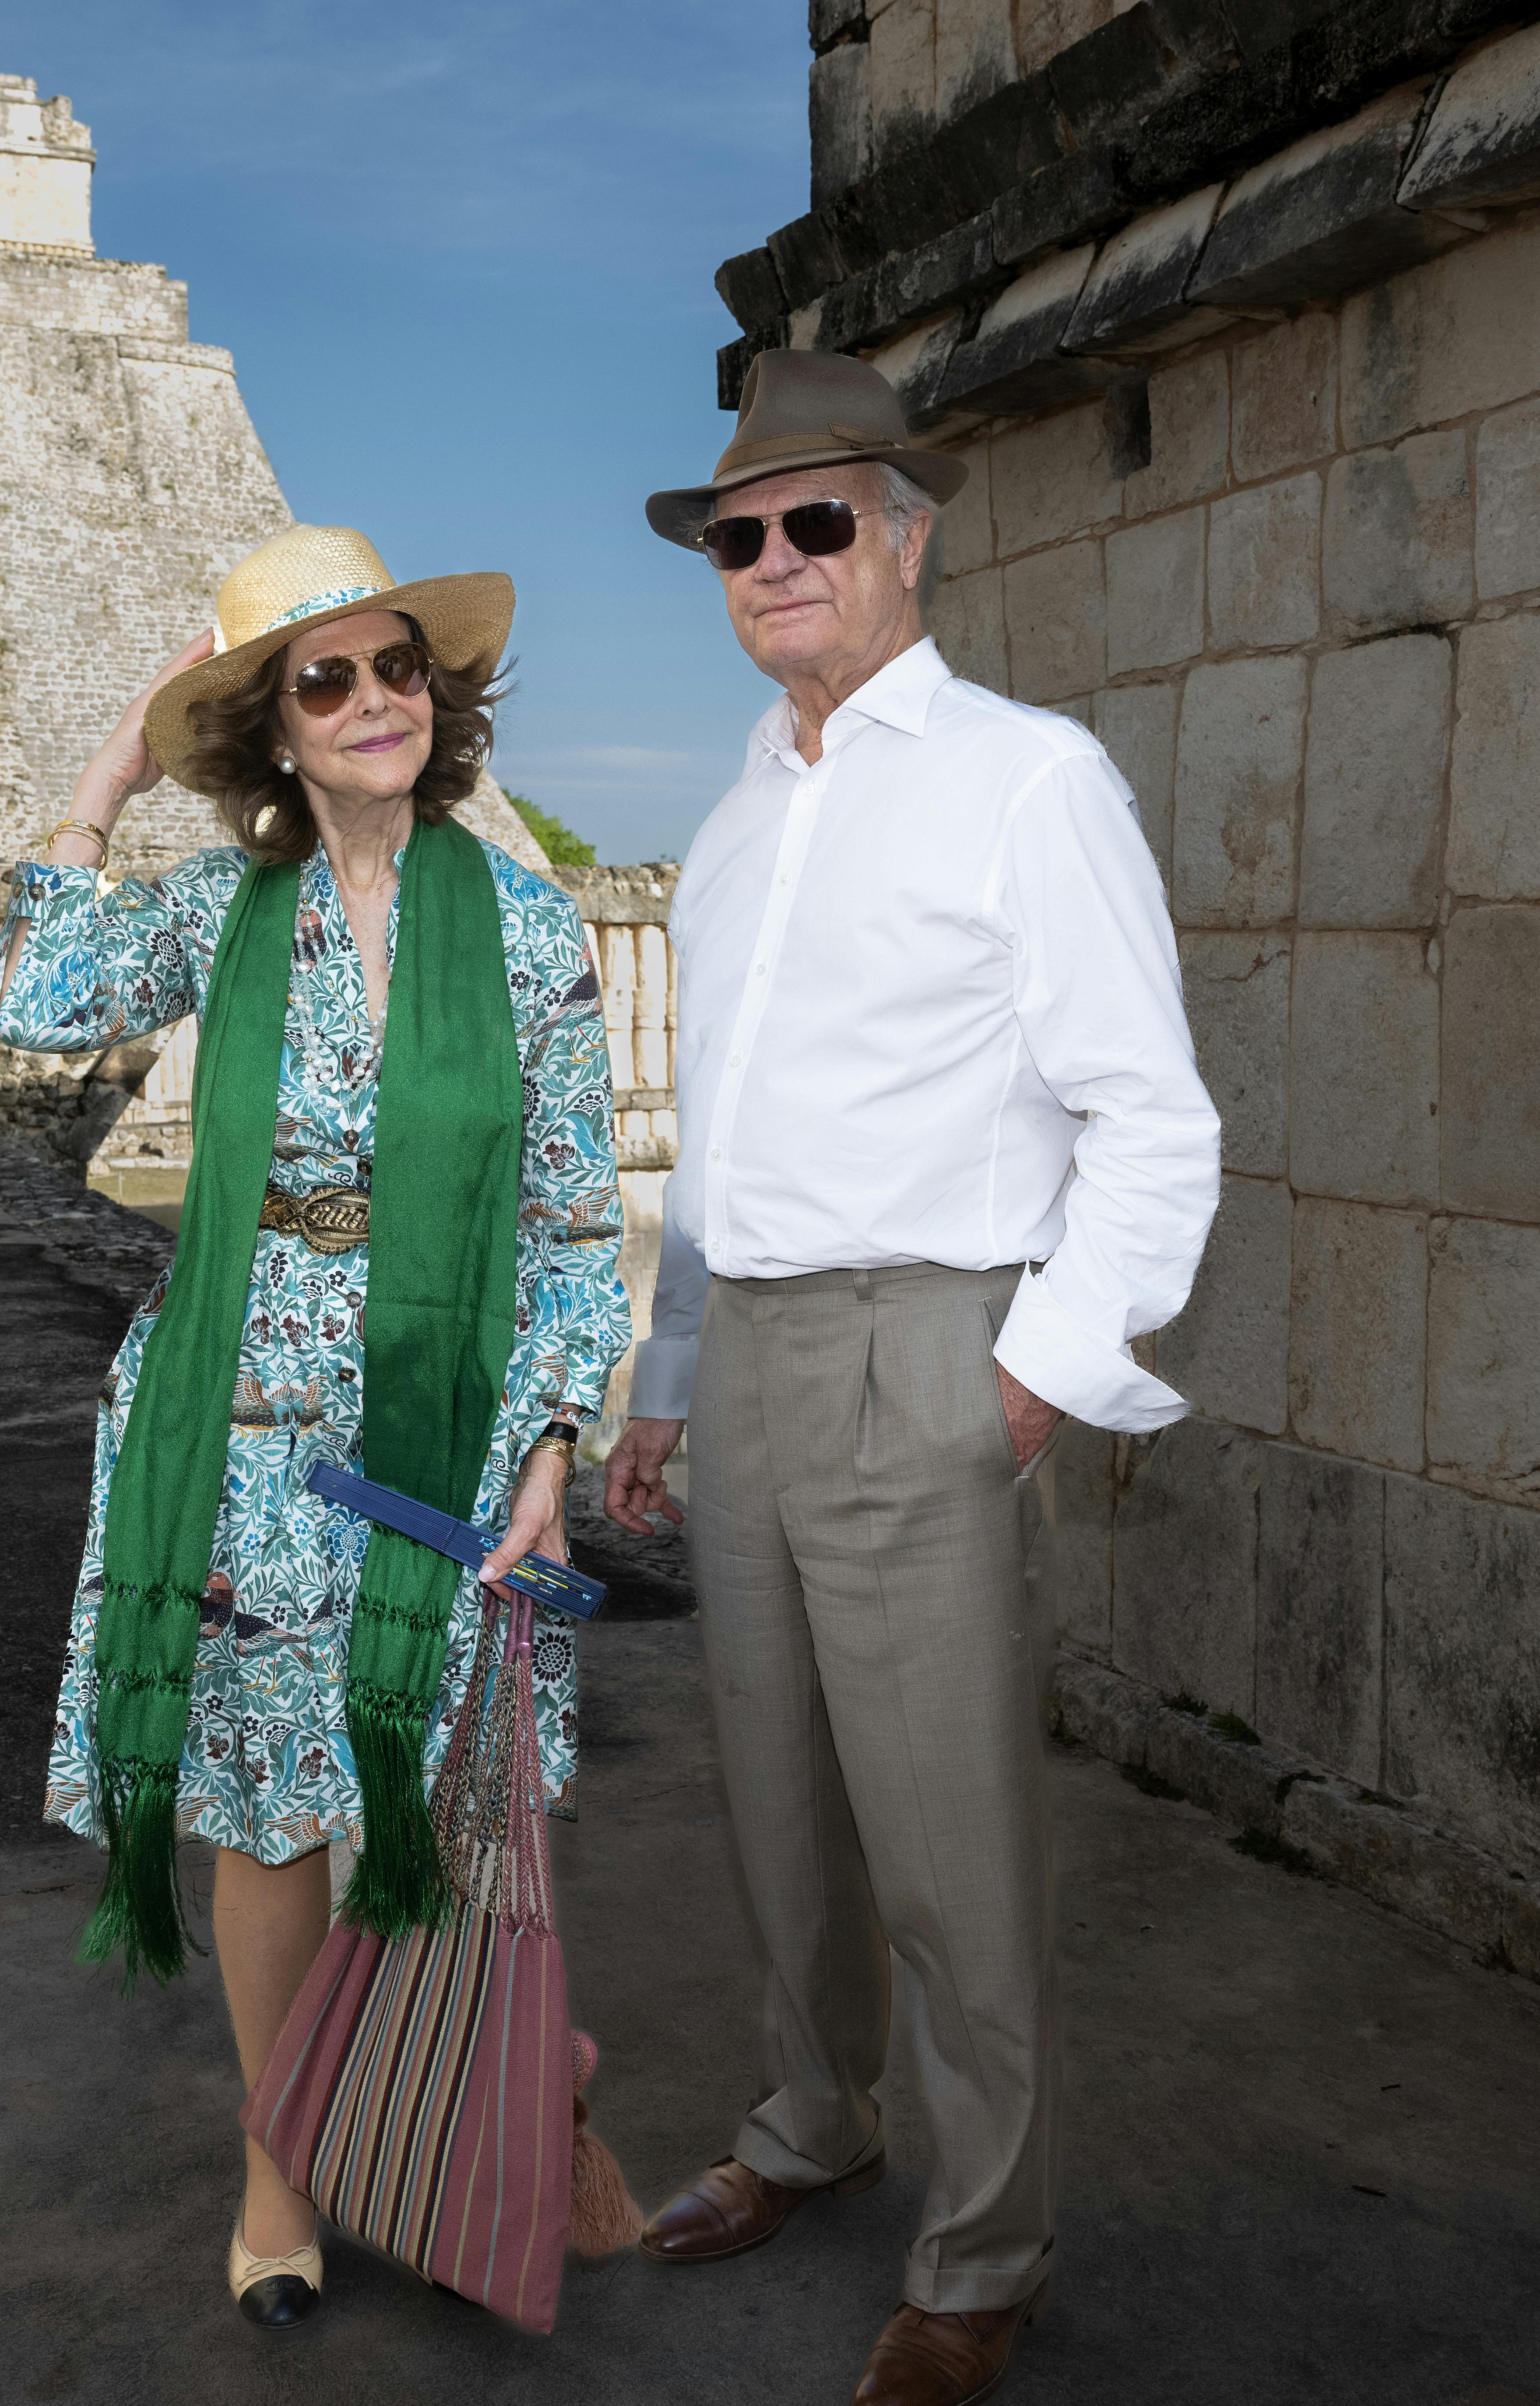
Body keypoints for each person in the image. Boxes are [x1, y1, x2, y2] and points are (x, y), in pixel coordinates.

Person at [606, 351, 1222, 2406]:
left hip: (927, 1340)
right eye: (734, 535)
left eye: (813, 522)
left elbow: (1149, 1116)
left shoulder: (1025, 778)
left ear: (904, 536)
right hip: (760, 1350)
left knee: (948, 1846)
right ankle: (808, 2122)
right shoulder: (725, 824)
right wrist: (672, 1372)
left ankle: (982, 2253)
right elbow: (719, 1132)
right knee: (775, 1800)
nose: (771, 560)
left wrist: (1028, 1377)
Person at [0, 523, 631, 2336]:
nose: (370, 702)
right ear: (271, 724)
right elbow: (28, 1001)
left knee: (429, 1804)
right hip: (245, 1431)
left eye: (396, 668)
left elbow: (576, 1212)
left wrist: (558, 1452)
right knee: (267, 1829)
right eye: (321, 678)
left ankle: (436, 2134)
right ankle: (280, 2167)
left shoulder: (520, 924)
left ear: (442, 696)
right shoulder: (219, 913)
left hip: (453, 1420)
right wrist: (115, 765)